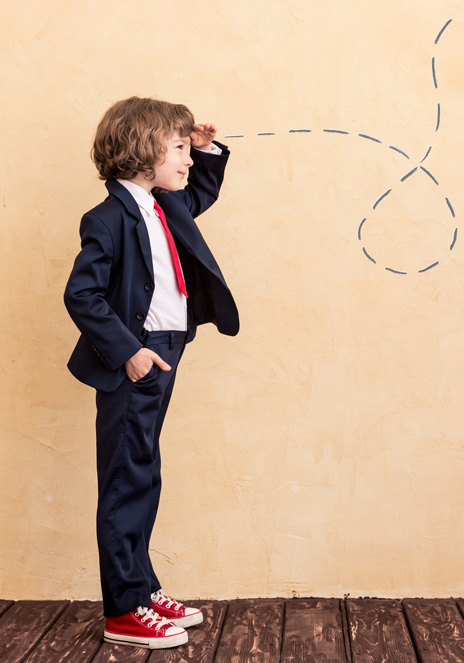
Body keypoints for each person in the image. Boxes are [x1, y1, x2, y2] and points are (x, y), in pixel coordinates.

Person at [64, 97, 239, 649]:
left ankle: (141, 586)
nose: (187, 161)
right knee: (124, 478)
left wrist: (206, 148)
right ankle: (123, 610)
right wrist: (127, 351)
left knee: (144, 470)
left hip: (168, 346)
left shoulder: (165, 204)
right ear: (143, 151)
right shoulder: (108, 218)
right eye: (179, 149)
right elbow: (82, 294)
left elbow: (200, 192)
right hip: (135, 357)